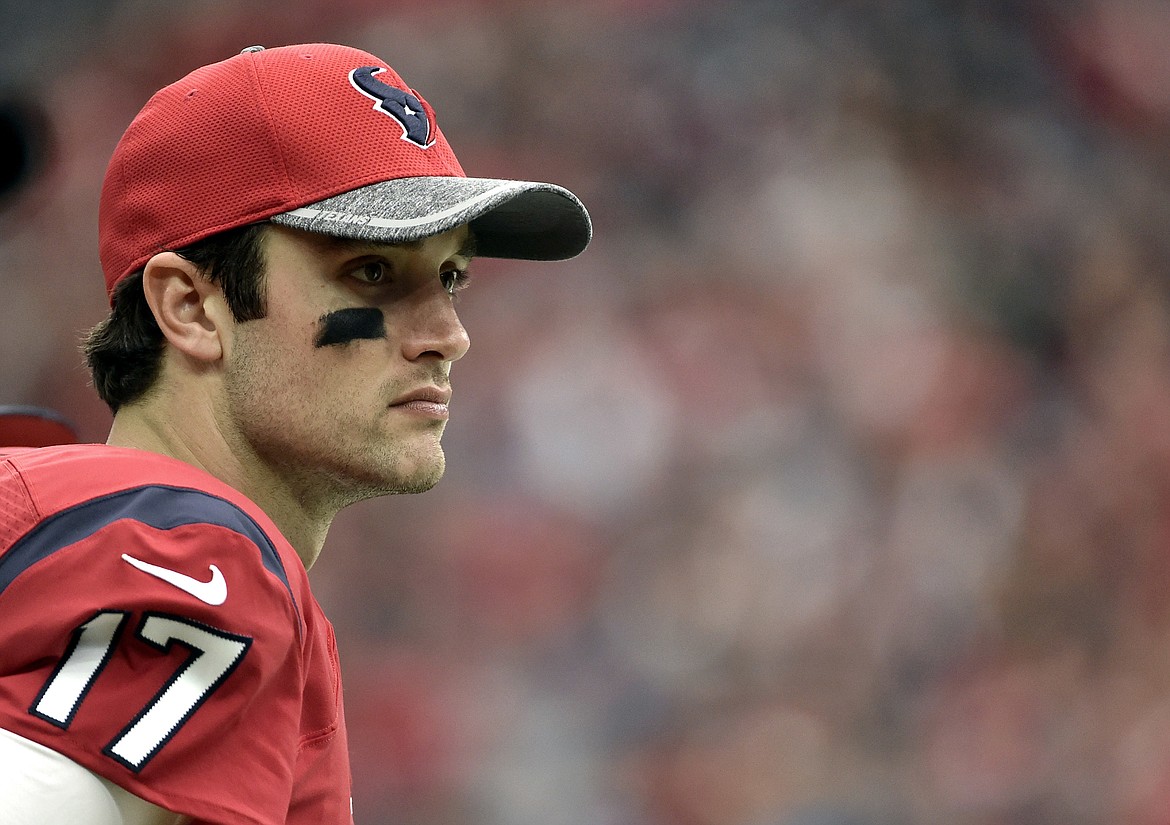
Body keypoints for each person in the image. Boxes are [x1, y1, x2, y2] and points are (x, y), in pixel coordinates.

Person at [0, 43, 590, 824]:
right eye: (372, 270)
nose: (449, 334)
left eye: (450, 276)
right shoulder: (189, 551)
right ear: (189, 307)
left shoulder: (93, 524)